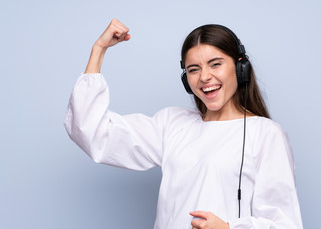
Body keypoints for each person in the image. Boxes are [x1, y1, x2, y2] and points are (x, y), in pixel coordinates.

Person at [64, 19, 303, 229]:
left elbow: (284, 223)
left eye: (215, 64)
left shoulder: (266, 134)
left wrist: (229, 228)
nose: (205, 77)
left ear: (240, 67)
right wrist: (99, 50)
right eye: (194, 69)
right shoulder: (172, 124)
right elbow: (92, 131)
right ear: (186, 79)